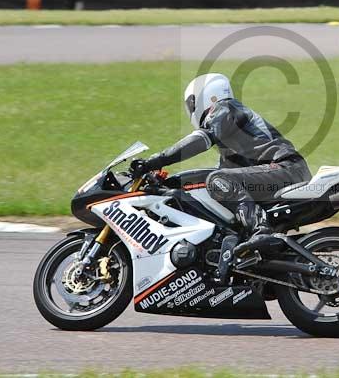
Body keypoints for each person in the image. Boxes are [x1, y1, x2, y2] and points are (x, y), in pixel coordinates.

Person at [132, 73, 311, 281]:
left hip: (285, 169)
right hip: (281, 172)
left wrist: (155, 161)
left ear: (205, 97)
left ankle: (261, 230)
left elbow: (200, 142)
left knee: (219, 181)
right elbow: (207, 175)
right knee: (218, 182)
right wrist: (172, 182)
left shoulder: (224, 109)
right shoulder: (233, 137)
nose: (191, 110)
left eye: (191, 104)